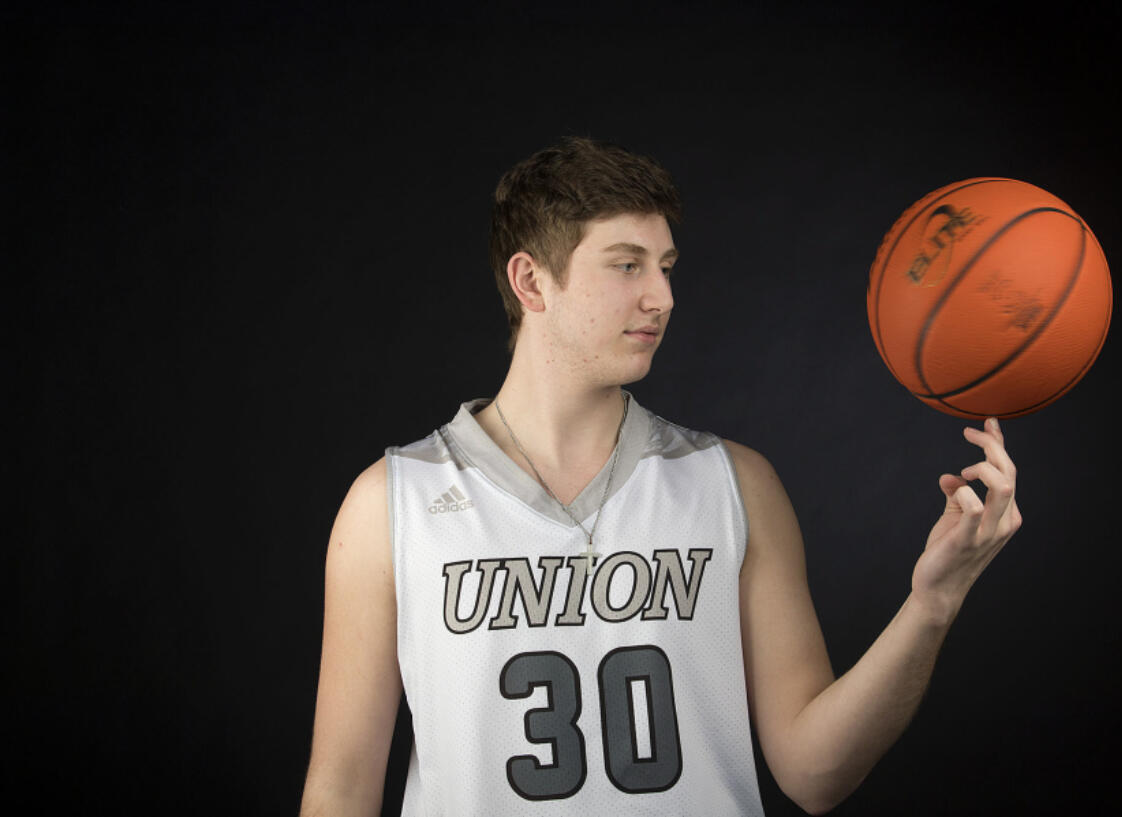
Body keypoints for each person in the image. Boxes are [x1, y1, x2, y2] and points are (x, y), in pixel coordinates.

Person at [299, 137, 1021, 816]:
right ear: (531, 281)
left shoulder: (735, 485)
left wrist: (932, 603)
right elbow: (338, 793)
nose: (662, 296)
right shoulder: (392, 504)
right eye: (626, 264)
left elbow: (814, 772)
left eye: (666, 266)